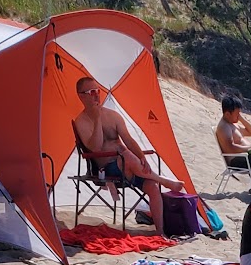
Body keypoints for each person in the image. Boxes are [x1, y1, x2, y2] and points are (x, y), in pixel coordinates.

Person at [74, 76, 186, 237]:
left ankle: (160, 232)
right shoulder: (82, 121)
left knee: (152, 187)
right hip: (107, 170)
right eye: (91, 92)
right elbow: (95, 148)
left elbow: (128, 140)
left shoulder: (113, 116)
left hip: (130, 167)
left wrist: (142, 158)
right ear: (81, 96)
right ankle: (164, 180)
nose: (96, 95)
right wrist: (97, 118)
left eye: (97, 91)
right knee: (125, 154)